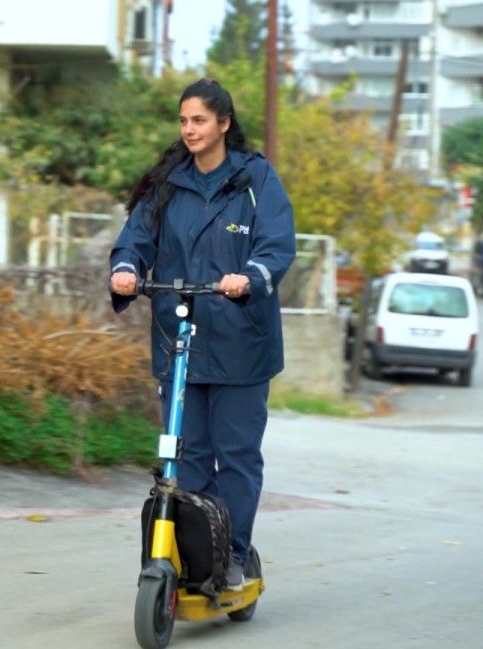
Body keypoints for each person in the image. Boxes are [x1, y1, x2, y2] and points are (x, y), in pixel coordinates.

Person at [109, 78, 296, 590]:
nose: (190, 129)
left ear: (223, 124)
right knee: (186, 453)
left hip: (242, 343)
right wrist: (126, 268)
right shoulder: (169, 182)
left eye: (199, 120)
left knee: (234, 455)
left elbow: (276, 245)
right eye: (184, 120)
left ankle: (232, 555)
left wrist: (251, 276)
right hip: (180, 341)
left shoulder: (256, 179)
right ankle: (198, 555)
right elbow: (135, 239)